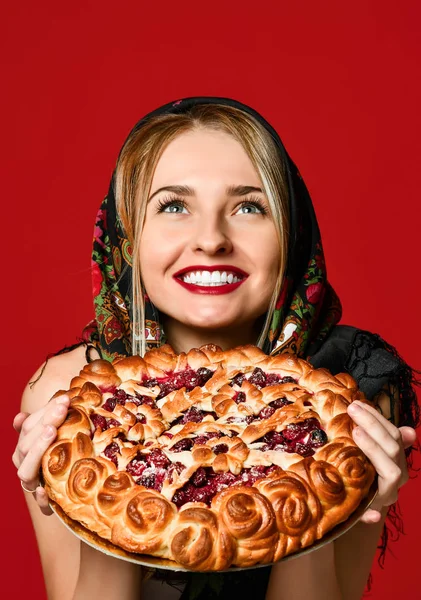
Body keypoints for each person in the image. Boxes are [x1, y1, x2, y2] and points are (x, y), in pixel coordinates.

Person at [12, 97, 420, 600]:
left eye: (249, 206)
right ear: (126, 233)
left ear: (291, 232)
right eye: (173, 206)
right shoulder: (66, 399)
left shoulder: (351, 392)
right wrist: (91, 505)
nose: (211, 239)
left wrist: (328, 502)